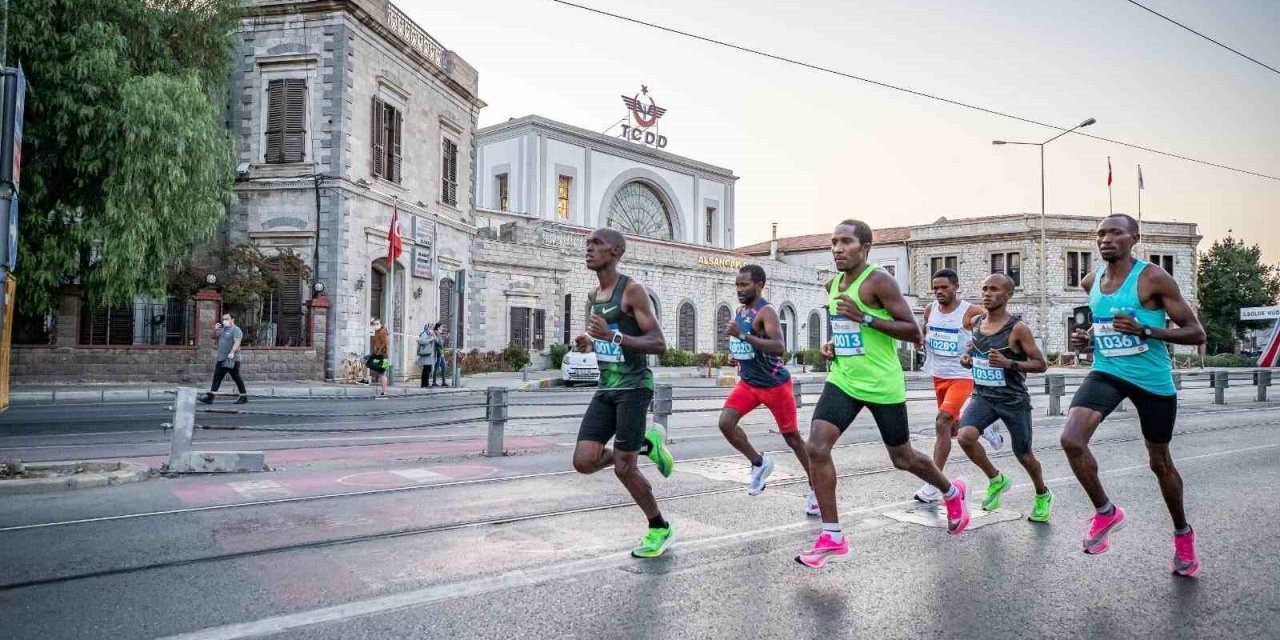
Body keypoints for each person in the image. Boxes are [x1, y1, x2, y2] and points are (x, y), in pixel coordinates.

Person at [798, 220, 971, 569]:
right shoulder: (832, 284)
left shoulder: (879, 281)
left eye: (845, 242)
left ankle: (952, 492)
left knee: (902, 457)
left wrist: (864, 318)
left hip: (881, 384)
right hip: (844, 379)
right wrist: (835, 345)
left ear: (865, 247)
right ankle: (832, 535)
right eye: (833, 242)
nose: (837, 248)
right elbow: (846, 329)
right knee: (816, 447)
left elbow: (911, 332)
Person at [1062, 213, 1205, 576]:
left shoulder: (1153, 278)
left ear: (1134, 238)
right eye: (1101, 234)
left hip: (1151, 380)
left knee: (1160, 463)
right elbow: (1104, 323)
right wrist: (1089, 339)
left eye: (1115, 233)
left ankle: (1182, 534)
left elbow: (1195, 333)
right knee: (1071, 440)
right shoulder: (1091, 281)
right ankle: (1106, 512)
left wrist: (1146, 331)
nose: (1106, 239)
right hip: (1107, 371)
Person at [572, 228, 676, 558]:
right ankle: (647, 443)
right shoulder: (592, 296)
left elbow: (659, 344)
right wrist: (592, 342)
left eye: (596, 244)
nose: (588, 249)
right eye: (587, 243)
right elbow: (607, 335)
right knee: (584, 462)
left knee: (624, 468)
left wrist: (613, 339)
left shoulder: (632, 291)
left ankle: (659, 528)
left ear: (615, 251)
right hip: (606, 388)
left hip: (633, 387)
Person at [719, 264, 817, 515]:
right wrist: (738, 357)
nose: (739, 290)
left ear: (759, 285)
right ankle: (759, 463)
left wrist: (742, 337)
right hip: (749, 384)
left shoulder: (767, 312)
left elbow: (777, 347)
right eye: (737, 285)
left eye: (745, 285)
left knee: (792, 438)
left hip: (774, 385)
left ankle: (816, 487)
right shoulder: (741, 311)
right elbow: (750, 348)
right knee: (726, 423)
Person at [955, 273, 1053, 521]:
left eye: (994, 289)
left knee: (1023, 454)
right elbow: (975, 346)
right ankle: (996, 478)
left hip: (1012, 400)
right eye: (984, 288)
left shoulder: (1018, 328)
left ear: (1008, 295)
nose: (987, 293)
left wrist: (1009, 363)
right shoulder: (977, 322)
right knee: (965, 437)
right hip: (984, 396)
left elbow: (1041, 364)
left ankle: (1042, 494)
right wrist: (968, 358)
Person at [914, 268, 1001, 503]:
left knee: (942, 422)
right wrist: (921, 340)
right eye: (936, 288)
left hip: (962, 376)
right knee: (952, 428)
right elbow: (926, 330)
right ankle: (983, 427)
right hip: (938, 375)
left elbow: (992, 327)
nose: (940, 292)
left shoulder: (970, 311)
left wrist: (976, 351)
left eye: (944, 287)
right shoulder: (930, 309)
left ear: (956, 287)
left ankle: (934, 483)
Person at [198, 312, 248, 404]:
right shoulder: (223, 329)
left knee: (236, 377)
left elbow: (237, 342)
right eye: (223, 319)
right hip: (221, 358)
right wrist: (215, 329)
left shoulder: (236, 330)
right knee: (217, 377)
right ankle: (210, 397)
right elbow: (213, 337)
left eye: (227, 319)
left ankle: (244, 396)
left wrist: (232, 352)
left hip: (232, 359)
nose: (224, 321)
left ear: (232, 319)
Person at [369, 317, 390, 398]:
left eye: (377, 323)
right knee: (382, 373)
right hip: (380, 355)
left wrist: (378, 351)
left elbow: (384, 343)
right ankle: (384, 392)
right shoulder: (377, 331)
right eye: (374, 324)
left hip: (383, 356)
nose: (375, 325)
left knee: (382, 373)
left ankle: (384, 392)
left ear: (380, 324)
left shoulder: (382, 332)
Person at [417, 323, 437, 388]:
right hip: (425, 354)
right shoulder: (424, 334)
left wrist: (433, 335)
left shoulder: (431, 335)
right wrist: (430, 339)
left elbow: (437, 341)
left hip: (430, 355)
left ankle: (426, 383)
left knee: (428, 369)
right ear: (427, 328)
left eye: (432, 328)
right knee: (426, 369)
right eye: (430, 327)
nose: (431, 329)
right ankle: (424, 384)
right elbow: (422, 341)